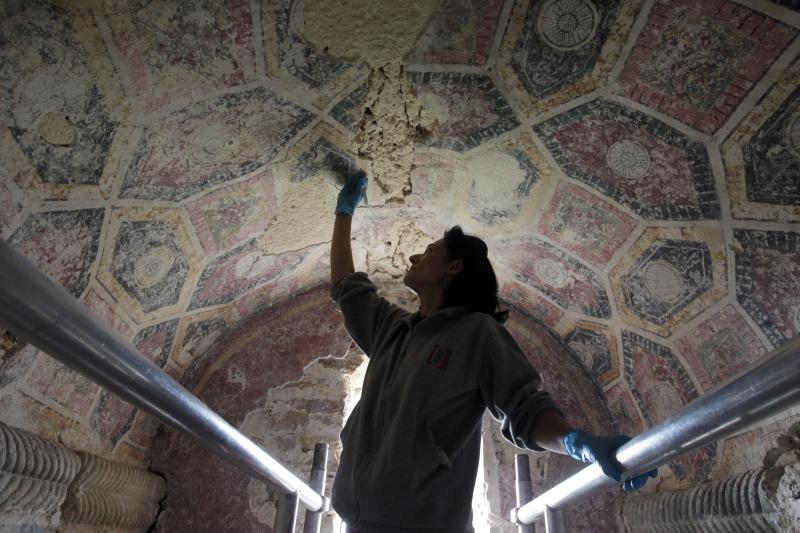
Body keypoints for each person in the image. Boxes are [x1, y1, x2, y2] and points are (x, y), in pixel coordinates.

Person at [329, 171, 656, 533]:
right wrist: (344, 213)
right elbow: (347, 287)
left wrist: (577, 444)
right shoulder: (391, 330)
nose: (413, 256)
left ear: (454, 267)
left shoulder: (477, 333)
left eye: (430, 251)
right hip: (354, 521)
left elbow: (526, 410)